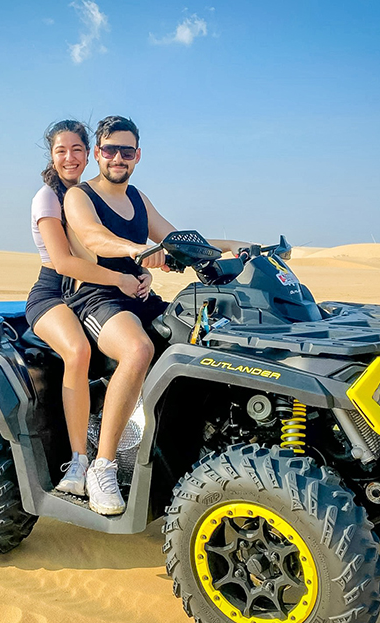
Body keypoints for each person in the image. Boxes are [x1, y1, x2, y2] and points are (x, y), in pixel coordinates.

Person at [64, 115, 248, 515]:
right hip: (97, 298)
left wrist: (236, 245)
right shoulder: (80, 196)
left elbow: (176, 239)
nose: (117, 158)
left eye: (126, 151)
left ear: (137, 155)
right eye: (110, 150)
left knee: (198, 336)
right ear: (97, 153)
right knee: (137, 350)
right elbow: (92, 236)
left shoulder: (137, 199)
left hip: (138, 295)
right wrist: (135, 250)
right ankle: (103, 465)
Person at [26, 119, 153, 500]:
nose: (70, 157)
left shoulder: (96, 192)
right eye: (61, 151)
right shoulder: (50, 198)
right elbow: (65, 263)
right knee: (78, 351)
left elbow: (124, 243)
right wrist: (122, 278)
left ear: (87, 154)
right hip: (55, 291)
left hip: (91, 286)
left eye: (76, 150)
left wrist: (139, 269)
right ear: (52, 156)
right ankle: (82, 459)